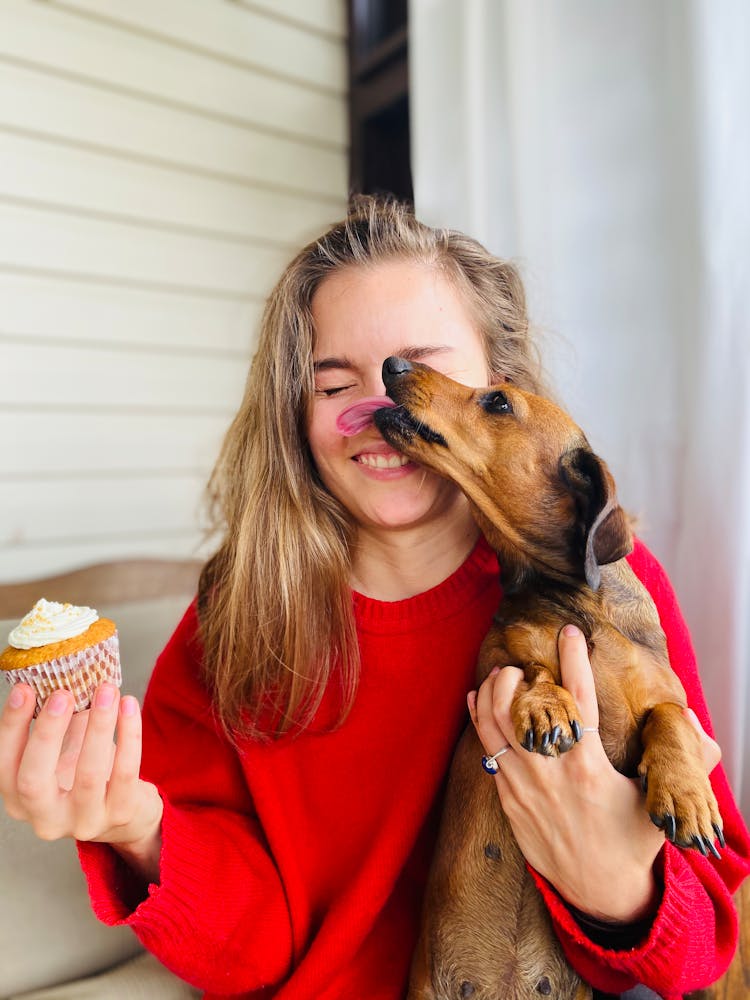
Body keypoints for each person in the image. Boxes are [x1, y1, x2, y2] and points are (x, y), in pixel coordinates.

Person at [0, 197, 748, 1000]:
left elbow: (703, 945)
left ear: (500, 383)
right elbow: (254, 951)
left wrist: (614, 887)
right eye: (333, 384)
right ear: (296, 415)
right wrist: (134, 831)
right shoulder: (241, 612)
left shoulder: (604, 598)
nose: (381, 408)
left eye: (416, 364)